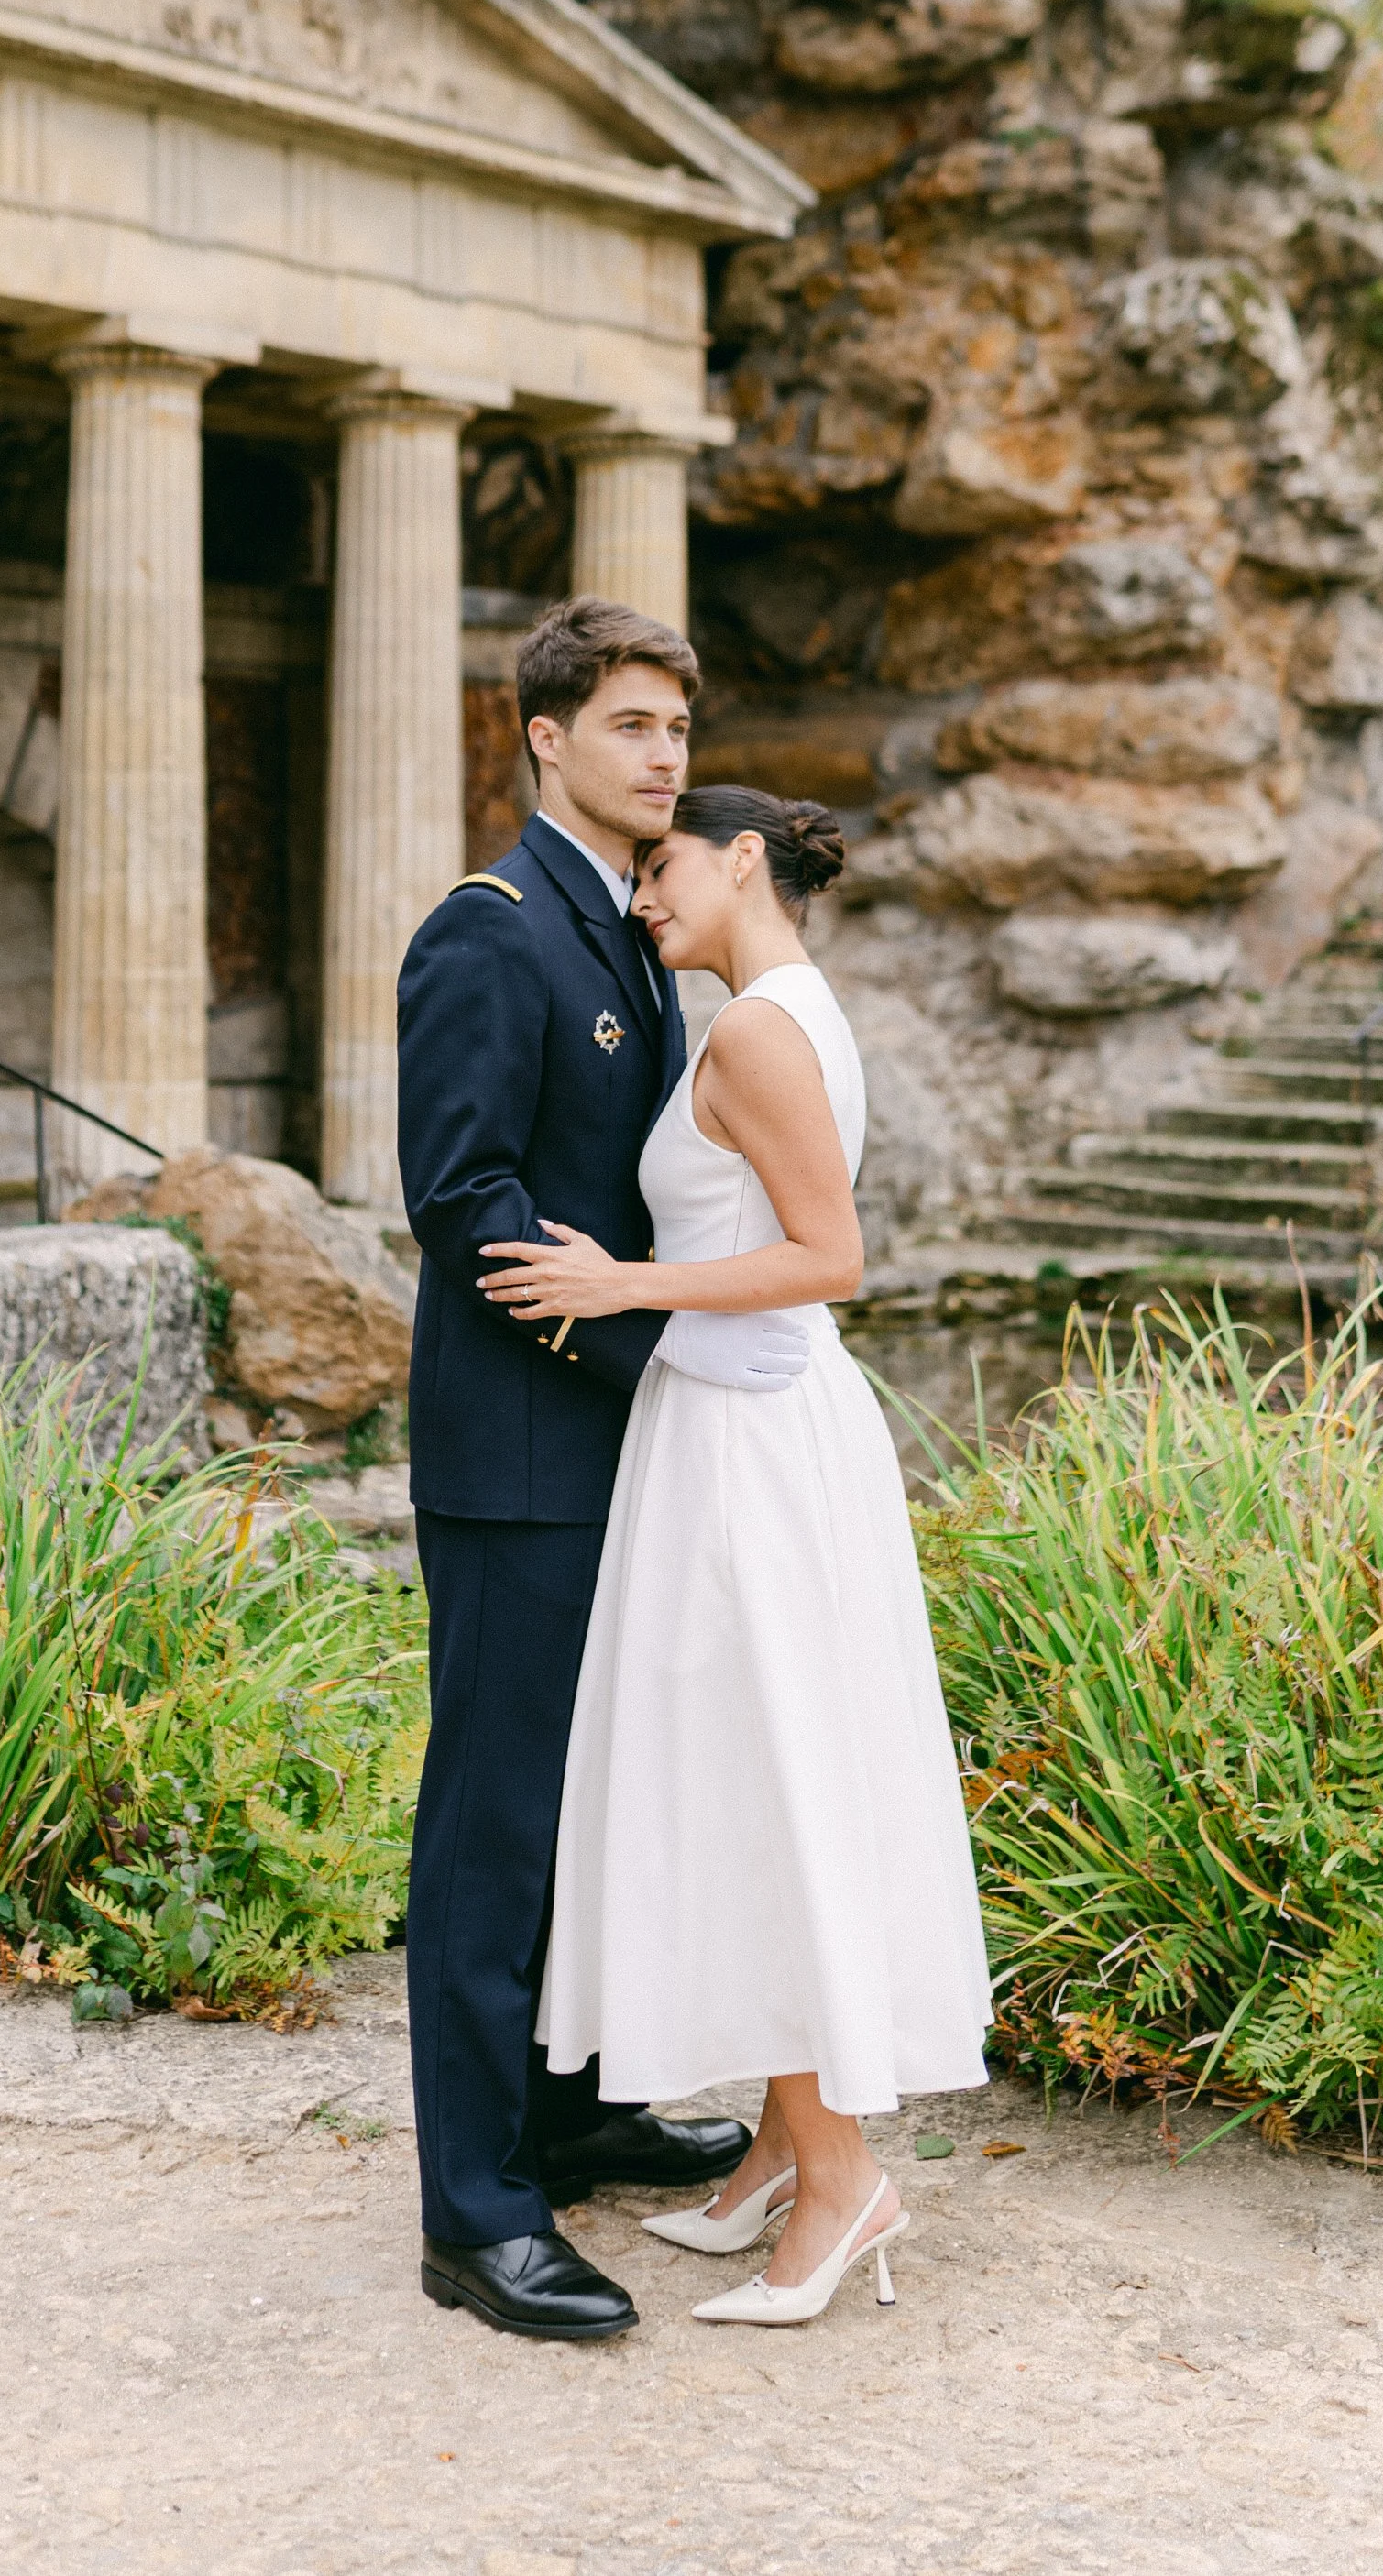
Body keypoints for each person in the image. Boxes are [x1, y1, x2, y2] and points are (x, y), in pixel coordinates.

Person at [482, 784, 992, 2328]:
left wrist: (615, 1277)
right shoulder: (782, 1010)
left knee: (765, 1787)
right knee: (766, 1773)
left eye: (662, 867)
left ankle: (843, 2184)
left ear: (743, 860)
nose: (641, 897)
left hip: (754, 1448)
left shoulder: (762, 1030)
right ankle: (781, 2148)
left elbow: (830, 1257)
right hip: (742, 1432)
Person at [396, 600, 814, 2345]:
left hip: (623, 1450)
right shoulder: (489, 934)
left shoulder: (641, 929)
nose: (665, 758)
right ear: (546, 737)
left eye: (677, 732)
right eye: (631, 726)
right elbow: (465, 1200)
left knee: (586, 1806)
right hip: (521, 1456)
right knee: (494, 1832)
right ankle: (477, 2212)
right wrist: (655, 1345)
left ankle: (567, 2115)